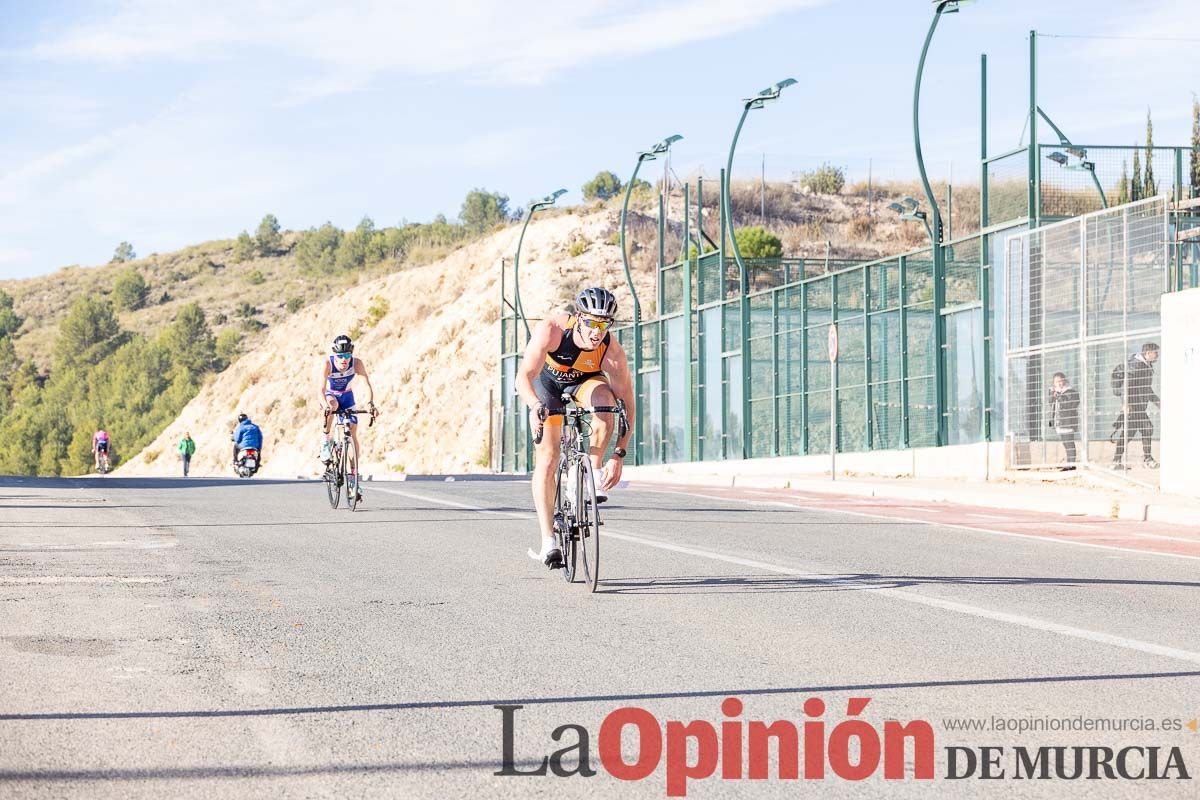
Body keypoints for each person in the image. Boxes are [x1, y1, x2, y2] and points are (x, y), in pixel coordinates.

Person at [516, 287, 635, 567]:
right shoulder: (553, 329)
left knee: (607, 401)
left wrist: (618, 455)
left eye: (604, 324)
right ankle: (548, 541)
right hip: (547, 386)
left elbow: (629, 406)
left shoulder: (612, 353)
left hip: (585, 382)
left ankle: (590, 471)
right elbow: (524, 375)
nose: (597, 331)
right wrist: (535, 406)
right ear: (578, 317)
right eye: (592, 322)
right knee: (548, 459)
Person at [318, 334, 379, 502]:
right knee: (333, 407)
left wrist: (370, 403)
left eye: (347, 356)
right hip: (331, 396)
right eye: (340, 356)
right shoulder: (328, 364)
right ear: (334, 354)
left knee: (352, 433)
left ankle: (353, 477)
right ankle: (326, 441)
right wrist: (324, 405)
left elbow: (367, 384)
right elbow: (320, 389)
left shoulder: (357, 363)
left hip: (347, 397)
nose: (344, 360)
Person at [1112, 342, 1160, 470]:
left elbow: (1146, 389)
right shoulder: (1136, 366)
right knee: (1147, 428)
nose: (1158, 355)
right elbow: (1125, 385)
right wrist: (1126, 403)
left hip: (1138, 406)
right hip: (1133, 406)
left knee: (1129, 433)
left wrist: (1158, 403)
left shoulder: (1146, 366)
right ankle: (1147, 459)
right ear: (1148, 353)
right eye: (1156, 352)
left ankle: (1116, 460)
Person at [1047, 372, 1080, 471]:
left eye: (1061, 380)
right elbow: (1051, 403)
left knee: (1069, 442)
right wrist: (1052, 395)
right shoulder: (1057, 392)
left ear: (1065, 380)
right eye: (1057, 381)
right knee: (1065, 443)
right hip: (1059, 422)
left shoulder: (1071, 392)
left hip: (1068, 422)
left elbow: (1070, 405)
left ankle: (1071, 464)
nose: (1059, 383)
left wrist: (1058, 396)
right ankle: (1069, 463)